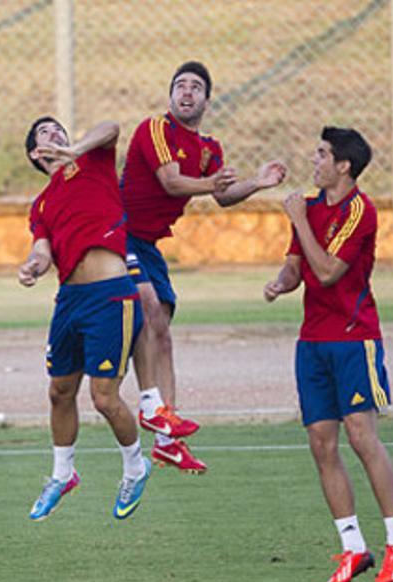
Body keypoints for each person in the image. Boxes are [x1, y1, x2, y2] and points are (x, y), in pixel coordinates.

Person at [262, 127, 393, 582]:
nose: (315, 159)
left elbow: (327, 271)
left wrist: (300, 220)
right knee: (321, 444)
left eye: (323, 153)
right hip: (312, 341)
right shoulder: (307, 207)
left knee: (362, 435)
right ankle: (353, 547)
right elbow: (298, 267)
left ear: (344, 165)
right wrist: (280, 283)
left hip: (354, 338)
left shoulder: (359, 211)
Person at [122, 60, 287, 474]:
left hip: (148, 245)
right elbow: (172, 182)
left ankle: (167, 439)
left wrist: (257, 183)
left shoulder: (210, 148)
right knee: (148, 309)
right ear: (171, 95)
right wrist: (212, 184)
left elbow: (225, 197)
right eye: (180, 85)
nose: (187, 91)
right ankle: (146, 402)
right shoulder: (155, 129)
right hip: (117, 231)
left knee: (161, 334)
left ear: (207, 100)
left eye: (196, 86)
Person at [20, 116, 150, 520]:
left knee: (104, 397)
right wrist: (32, 266)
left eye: (58, 128)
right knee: (59, 391)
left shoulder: (92, 160)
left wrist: (76, 149)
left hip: (110, 296)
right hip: (70, 300)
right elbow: (43, 249)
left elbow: (110, 127)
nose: (55, 133)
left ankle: (135, 466)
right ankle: (63, 473)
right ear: (34, 153)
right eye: (45, 132)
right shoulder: (40, 204)